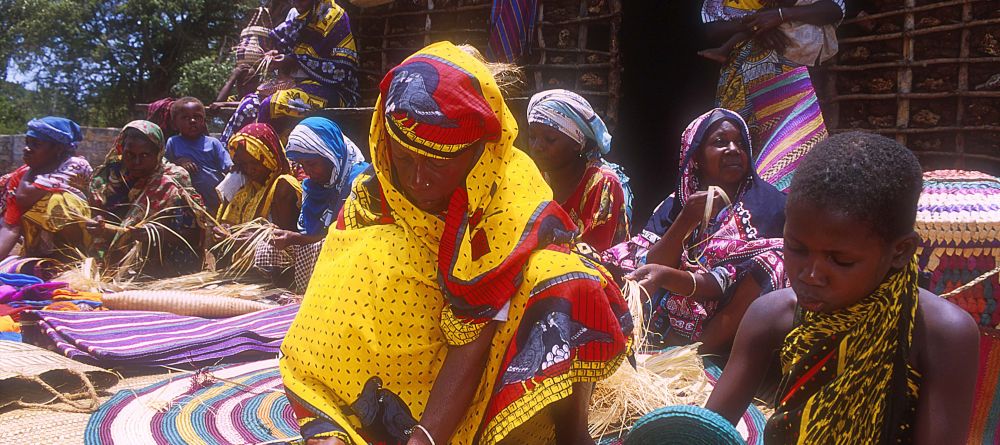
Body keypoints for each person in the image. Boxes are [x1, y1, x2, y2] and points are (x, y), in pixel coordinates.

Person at [279, 41, 631, 445]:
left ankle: (569, 431)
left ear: (478, 152)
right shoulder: (372, 194)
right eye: (405, 159)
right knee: (371, 254)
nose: (417, 180)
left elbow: (478, 329)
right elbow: (328, 315)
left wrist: (426, 438)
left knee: (562, 278)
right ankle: (337, 417)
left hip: (487, 366)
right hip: (395, 372)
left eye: (437, 163)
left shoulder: (507, 194)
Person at [704, 132, 980, 443]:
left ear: (900, 252)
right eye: (796, 248)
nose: (810, 275)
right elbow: (707, 432)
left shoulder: (940, 333)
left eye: (840, 261)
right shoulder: (770, 316)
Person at [612, 109, 786, 355]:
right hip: (670, 315)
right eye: (720, 142)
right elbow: (650, 265)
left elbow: (737, 279)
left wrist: (669, 277)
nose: (734, 149)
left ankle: (694, 356)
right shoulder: (678, 204)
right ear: (697, 157)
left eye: (740, 143)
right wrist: (686, 220)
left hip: (733, 322)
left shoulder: (770, 206)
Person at [702, 0, 843, 191]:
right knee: (736, 144)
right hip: (739, 78)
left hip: (788, 78)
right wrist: (757, 25)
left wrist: (781, 15)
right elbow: (711, 28)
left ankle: (784, 209)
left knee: (791, 146)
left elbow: (834, 9)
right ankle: (737, 212)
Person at [220, 0, 360, 144]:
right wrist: (278, 57)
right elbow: (287, 55)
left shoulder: (334, 15)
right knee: (249, 103)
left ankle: (267, 155)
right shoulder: (294, 15)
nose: (295, 2)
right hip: (295, 86)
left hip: (333, 91)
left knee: (272, 104)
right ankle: (227, 156)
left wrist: (295, 60)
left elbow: (344, 70)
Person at [260, 116, 367, 292]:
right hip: (317, 248)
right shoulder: (313, 187)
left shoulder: (359, 181)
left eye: (312, 164)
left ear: (331, 154)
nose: (308, 172)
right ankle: (285, 290)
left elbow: (347, 238)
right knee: (267, 247)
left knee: (321, 248)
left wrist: (296, 239)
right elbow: (308, 233)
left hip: (351, 257)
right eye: (302, 165)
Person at [89, 121, 208, 277]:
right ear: (120, 149)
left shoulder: (174, 179)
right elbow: (99, 213)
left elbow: (195, 234)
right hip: (112, 255)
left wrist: (159, 233)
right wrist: (97, 222)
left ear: (158, 153)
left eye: (145, 155)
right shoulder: (108, 175)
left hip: (161, 261)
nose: (136, 162)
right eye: (129, 154)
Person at [526, 89, 632, 252]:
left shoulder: (603, 184)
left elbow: (594, 255)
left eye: (550, 139)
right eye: (532, 137)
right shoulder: (534, 176)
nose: (536, 147)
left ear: (576, 143)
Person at [0, 117, 92, 266]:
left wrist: (31, 170)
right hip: (38, 250)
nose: (27, 148)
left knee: (59, 201)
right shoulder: (23, 173)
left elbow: (24, 197)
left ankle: (72, 259)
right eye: (27, 142)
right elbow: (10, 227)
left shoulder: (75, 165)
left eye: (36, 144)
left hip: (78, 242)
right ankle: (39, 257)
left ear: (58, 149)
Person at [215, 123, 301, 231]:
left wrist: (248, 237)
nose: (249, 169)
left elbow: (286, 239)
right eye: (244, 164)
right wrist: (227, 230)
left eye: (255, 163)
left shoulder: (283, 186)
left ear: (269, 158)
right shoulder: (246, 185)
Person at [164, 97, 233, 214]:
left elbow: (228, 166)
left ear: (203, 121)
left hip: (214, 199)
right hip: (187, 202)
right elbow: (164, 167)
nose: (192, 121)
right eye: (185, 117)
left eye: (197, 117)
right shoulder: (173, 142)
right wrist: (179, 163)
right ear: (175, 124)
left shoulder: (213, 143)